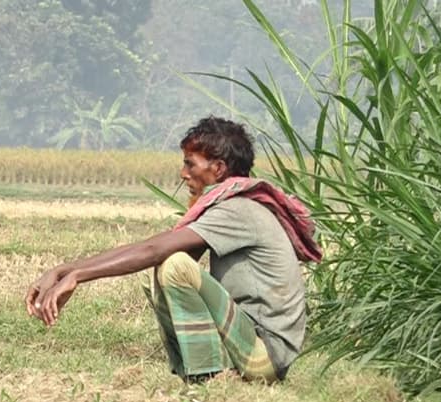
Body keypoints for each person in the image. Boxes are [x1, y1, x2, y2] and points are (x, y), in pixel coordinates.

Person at [24, 116, 321, 382]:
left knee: (174, 265)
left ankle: (207, 376)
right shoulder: (236, 204)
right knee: (171, 264)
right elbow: (157, 251)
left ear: (217, 168)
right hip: (256, 347)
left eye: (190, 163)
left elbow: (154, 249)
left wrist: (74, 274)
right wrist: (65, 270)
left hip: (265, 355)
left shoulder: (238, 209)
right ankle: (205, 373)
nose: (183, 173)